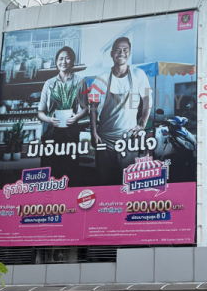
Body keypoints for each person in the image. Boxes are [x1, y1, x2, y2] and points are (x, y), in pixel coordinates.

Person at [90, 37, 152, 184]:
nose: (121, 53)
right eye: (117, 50)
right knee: (104, 182)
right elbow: (92, 106)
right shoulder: (101, 78)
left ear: (129, 53)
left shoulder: (138, 75)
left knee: (126, 183)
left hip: (128, 140)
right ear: (112, 54)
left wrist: (142, 124)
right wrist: (93, 131)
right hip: (104, 140)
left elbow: (147, 99)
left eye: (125, 49)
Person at [37, 46, 88, 178]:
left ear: (72, 61)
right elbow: (40, 112)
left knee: (70, 168)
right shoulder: (49, 83)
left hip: (70, 131)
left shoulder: (80, 81)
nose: (63, 61)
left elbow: (84, 108)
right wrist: (49, 120)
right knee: (50, 168)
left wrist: (76, 117)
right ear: (56, 62)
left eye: (67, 58)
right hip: (51, 131)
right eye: (60, 59)